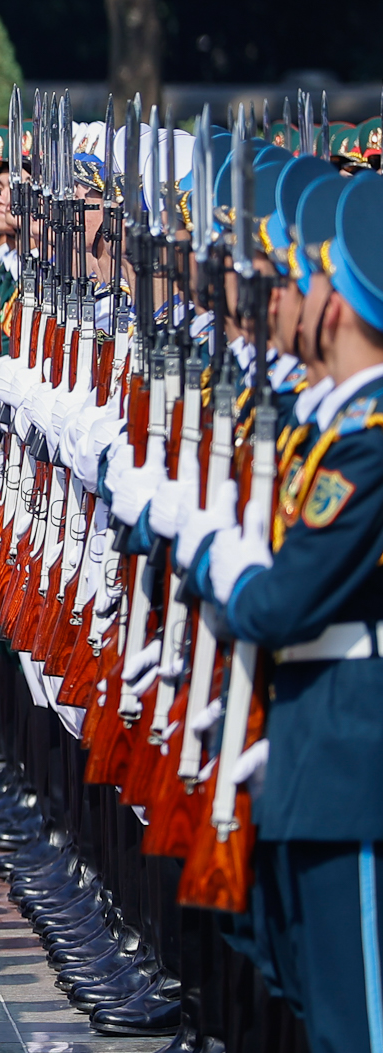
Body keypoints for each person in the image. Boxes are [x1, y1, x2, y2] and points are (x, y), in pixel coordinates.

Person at [181, 172, 383, 1053]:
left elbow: (284, 601)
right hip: (317, 744)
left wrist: (220, 558)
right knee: (320, 1004)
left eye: (297, 280)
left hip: (353, 760)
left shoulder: (369, 443)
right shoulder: (345, 429)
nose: (279, 297)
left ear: (334, 305)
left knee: (359, 1023)